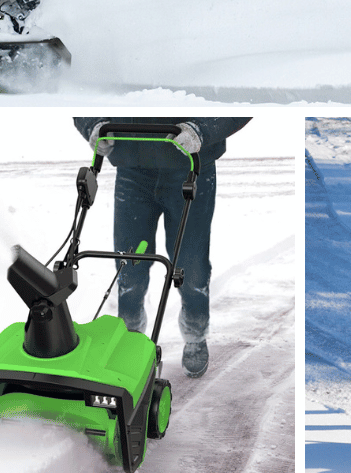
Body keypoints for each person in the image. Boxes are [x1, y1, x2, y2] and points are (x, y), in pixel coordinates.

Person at [73, 117, 251, 378]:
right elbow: (82, 99)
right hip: (131, 170)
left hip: (190, 167)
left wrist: (202, 128)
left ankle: (195, 333)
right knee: (129, 266)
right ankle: (130, 341)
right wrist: (95, 126)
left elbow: (239, 104)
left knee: (190, 266)